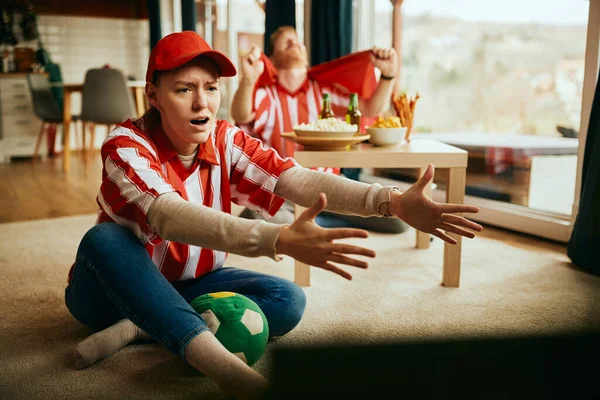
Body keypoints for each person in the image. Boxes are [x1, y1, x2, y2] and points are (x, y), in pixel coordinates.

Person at [65, 31, 483, 400]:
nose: (202, 102)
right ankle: (230, 374)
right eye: (183, 89)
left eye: (211, 88)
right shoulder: (125, 144)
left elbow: (293, 179)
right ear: (153, 96)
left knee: (288, 300)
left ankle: (140, 326)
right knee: (103, 241)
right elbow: (170, 216)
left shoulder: (225, 138)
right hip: (105, 293)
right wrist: (275, 238)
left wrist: (389, 201)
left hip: (192, 284)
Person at [231, 26, 408, 233]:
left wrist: (388, 75)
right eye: (287, 42)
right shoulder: (268, 95)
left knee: (398, 220)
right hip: (286, 191)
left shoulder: (324, 91)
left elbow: (369, 108)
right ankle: (315, 224)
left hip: (330, 186)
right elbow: (241, 114)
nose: (295, 44)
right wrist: (248, 79)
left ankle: (314, 224)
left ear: (306, 57)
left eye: (298, 41)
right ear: (273, 58)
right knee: (259, 213)